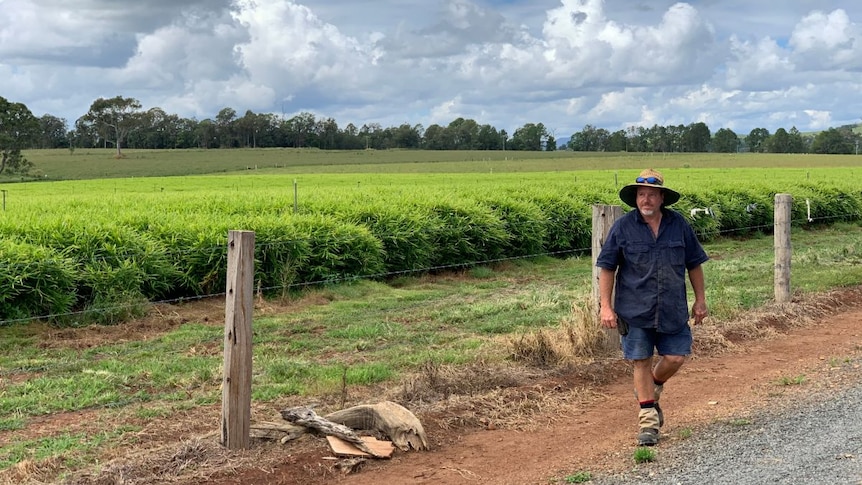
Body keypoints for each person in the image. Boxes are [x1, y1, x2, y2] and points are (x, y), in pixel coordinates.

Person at [596, 168, 709, 447]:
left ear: (661, 198)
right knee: (640, 361)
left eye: (651, 195)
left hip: (672, 307)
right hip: (635, 309)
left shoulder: (678, 225)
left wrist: (700, 300)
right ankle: (648, 422)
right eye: (641, 194)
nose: (645, 200)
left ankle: (653, 387)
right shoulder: (622, 227)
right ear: (636, 198)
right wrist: (605, 307)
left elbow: (694, 263)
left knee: (676, 357)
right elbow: (607, 267)